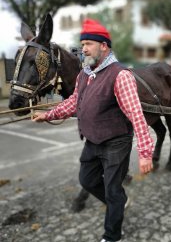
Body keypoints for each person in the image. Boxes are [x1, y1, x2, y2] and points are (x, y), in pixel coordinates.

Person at [33, 18, 154, 242]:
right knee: (87, 180)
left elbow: (136, 115)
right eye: (83, 44)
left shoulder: (120, 75)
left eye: (88, 43)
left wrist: (145, 153)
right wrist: (48, 115)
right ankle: (118, 203)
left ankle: (112, 236)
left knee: (112, 190)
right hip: (92, 141)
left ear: (104, 46)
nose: (84, 49)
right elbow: (72, 103)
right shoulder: (84, 74)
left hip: (116, 143)